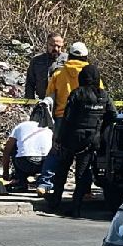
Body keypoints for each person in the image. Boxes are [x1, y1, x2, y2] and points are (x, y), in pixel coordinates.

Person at [48, 64, 117, 216]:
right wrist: (99, 128)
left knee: (62, 169)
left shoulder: (77, 93)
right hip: (91, 139)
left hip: (71, 138)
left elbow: (67, 118)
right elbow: (113, 115)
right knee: (82, 173)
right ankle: (76, 207)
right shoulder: (103, 96)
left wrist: (59, 138)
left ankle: (55, 201)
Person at [39, 42, 100, 195]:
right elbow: (100, 95)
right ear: (86, 56)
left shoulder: (58, 74)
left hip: (62, 118)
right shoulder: (92, 74)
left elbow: (49, 95)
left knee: (57, 151)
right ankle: (85, 191)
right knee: (85, 156)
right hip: (87, 120)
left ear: (69, 55)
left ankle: (45, 184)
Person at [2, 100, 54, 192]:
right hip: (44, 164)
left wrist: (5, 173)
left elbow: (7, 150)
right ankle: (44, 182)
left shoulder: (21, 126)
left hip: (24, 163)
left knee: (14, 147)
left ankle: (21, 181)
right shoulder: (49, 129)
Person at [25, 33, 64, 100]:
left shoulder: (68, 61)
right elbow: (30, 83)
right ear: (47, 44)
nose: (55, 49)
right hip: (43, 100)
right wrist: (29, 101)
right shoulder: (37, 61)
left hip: (62, 102)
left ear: (62, 45)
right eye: (52, 45)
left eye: (58, 46)